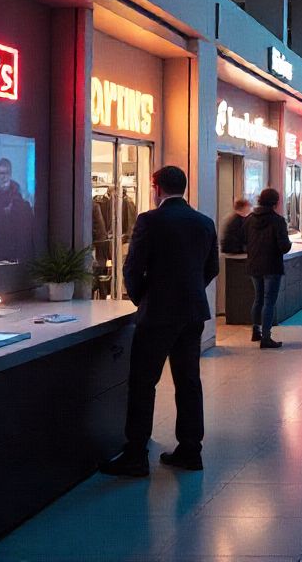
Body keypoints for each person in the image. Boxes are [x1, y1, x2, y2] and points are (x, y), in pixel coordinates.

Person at [101, 166, 218, 477]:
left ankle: (136, 454)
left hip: (158, 315)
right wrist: (190, 293)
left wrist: (144, 298)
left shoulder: (150, 221)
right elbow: (211, 268)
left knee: (143, 382)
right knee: (188, 381)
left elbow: (132, 267)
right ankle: (191, 450)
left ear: (156, 187)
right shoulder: (204, 222)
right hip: (192, 313)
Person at [241, 188, 289, 349]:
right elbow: (284, 247)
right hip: (272, 265)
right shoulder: (278, 221)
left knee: (258, 298)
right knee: (269, 301)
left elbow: (244, 240)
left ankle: (256, 331)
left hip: (254, 264)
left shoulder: (249, 219)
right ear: (275, 202)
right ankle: (266, 338)